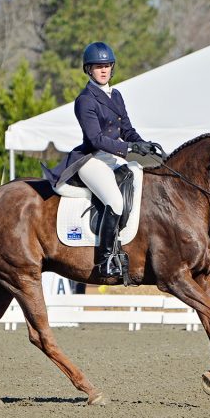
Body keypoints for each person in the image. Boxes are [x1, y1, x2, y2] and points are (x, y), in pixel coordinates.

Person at [42, 42, 156, 277]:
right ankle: (106, 260)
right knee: (115, 202)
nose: (103, 70)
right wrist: (129, 147)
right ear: (89, 70)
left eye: (107, 66)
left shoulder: (116, 95)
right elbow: (95, 139)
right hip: (91, 160)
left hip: (113, 158)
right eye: (98, 66)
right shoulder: (85, 100)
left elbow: (127, 129)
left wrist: (142, 144)